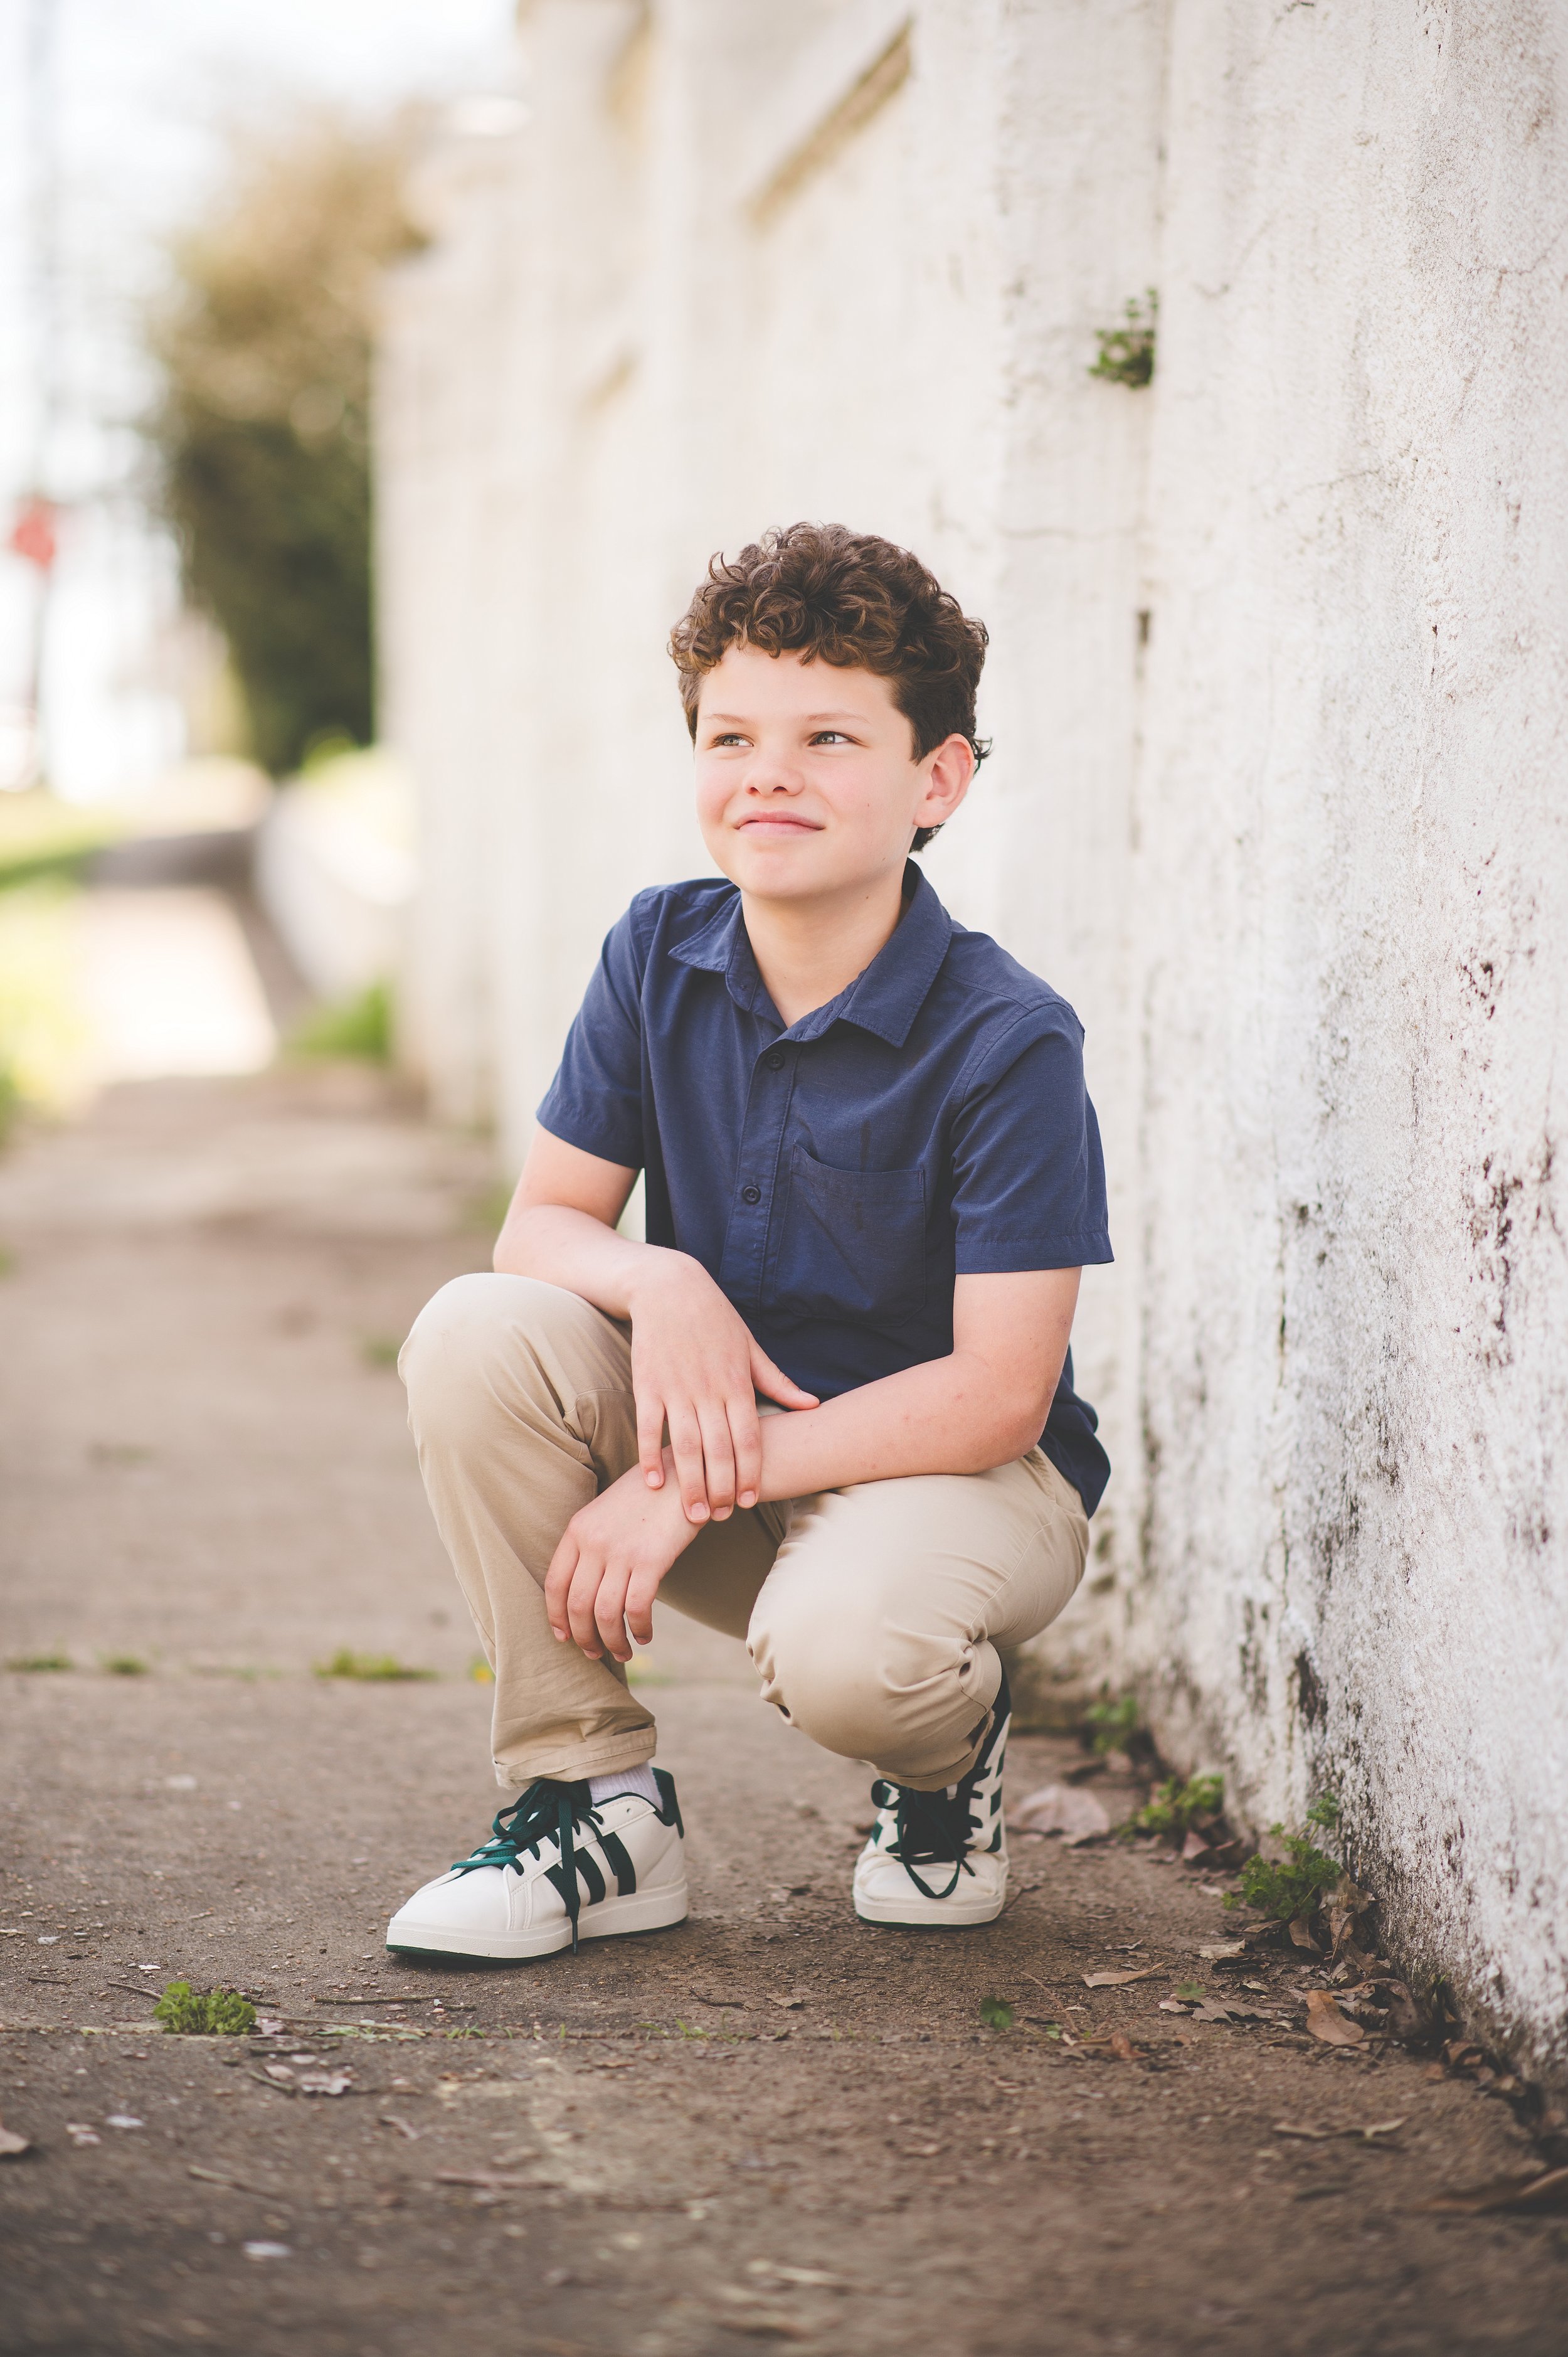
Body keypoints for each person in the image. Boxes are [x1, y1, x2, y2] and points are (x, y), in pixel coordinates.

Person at [388, 523, 1112, 1962]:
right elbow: (539, 1227)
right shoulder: (656, 951)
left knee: (852, 1657)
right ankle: (592, 1801)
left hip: (957, 1480)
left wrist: (672, 1488)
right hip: (738, 1466)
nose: (767, 771)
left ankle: (938, 1762)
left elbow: (996, 1393)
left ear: (935, 780)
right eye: (730, 734)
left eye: (828, 734)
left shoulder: (1006, 1037)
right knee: (476, 1330)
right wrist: (658, 1279)